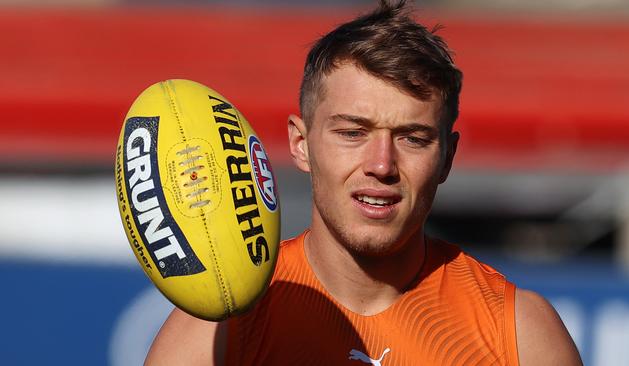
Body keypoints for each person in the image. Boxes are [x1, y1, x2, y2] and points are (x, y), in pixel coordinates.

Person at [146, 1, 583, 365]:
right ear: (301, 144)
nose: (381, 165)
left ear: (447, 157)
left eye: (413, 138)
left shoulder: (521, 334)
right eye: (352, 133)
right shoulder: (219, 332)